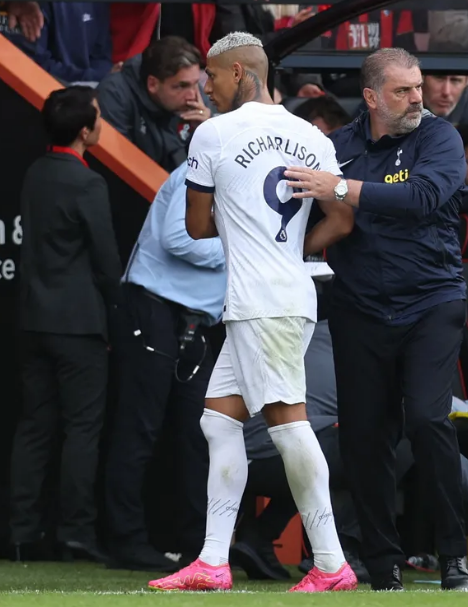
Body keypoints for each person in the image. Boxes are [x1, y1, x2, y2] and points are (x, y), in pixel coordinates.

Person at [148, 32, 357, 593]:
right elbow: (341, 220)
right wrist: (292, 247)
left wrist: (242, 225)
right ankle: (213, 561)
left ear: (239, 72)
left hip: (261, 302)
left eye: (211, 77)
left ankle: (332, 564)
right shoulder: (311, 136)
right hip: (286, 292)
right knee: (218, 421)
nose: (205, 89)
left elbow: (194, 226)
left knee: (290, 426)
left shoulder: (212, 133)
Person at [282, 47, 468, 591]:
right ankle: (382, 565)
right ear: (370, 98)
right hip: (360, 306)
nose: (419, 98)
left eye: (418, 86)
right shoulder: (335, 147)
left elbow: (423, 197)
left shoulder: (440, 137)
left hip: (432, 300)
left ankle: (452, 556)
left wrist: (339, 188)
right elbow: (303, 212)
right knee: (365, 438)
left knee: (429, 420)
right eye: (403, 91)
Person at [233, 320, 468, 582]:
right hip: (279, 454)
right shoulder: (376, 352)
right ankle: (345, 549)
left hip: (241, 459)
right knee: (386, 438)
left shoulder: (325, 327)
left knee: (330, 435)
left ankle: (259, 536)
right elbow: (438, 452)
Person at [9, 86, 121, 562]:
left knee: (34, 427)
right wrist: (118, 317)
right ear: (83, 131)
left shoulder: (36, 172)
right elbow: (105, 260)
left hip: (32, 320)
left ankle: (21, 533)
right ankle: (75, 532)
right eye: (97, 117)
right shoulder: (87, 183)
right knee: (81, 430)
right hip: (78, 325)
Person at [103, 161, 226, 571]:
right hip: (155, 306)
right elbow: (178, 237)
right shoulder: (202, 169)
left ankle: (197, 543)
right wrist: (242, 245)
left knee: (198, 433)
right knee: (141, 428)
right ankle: (126, 540)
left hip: (197, 319)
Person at [97, 36, 212, 172]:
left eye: (195, 83)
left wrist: (208, 135)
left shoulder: (196, 99)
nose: (192, 95)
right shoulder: (115, 95)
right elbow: (118, 167)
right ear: (153, 84)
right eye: (181, 86)